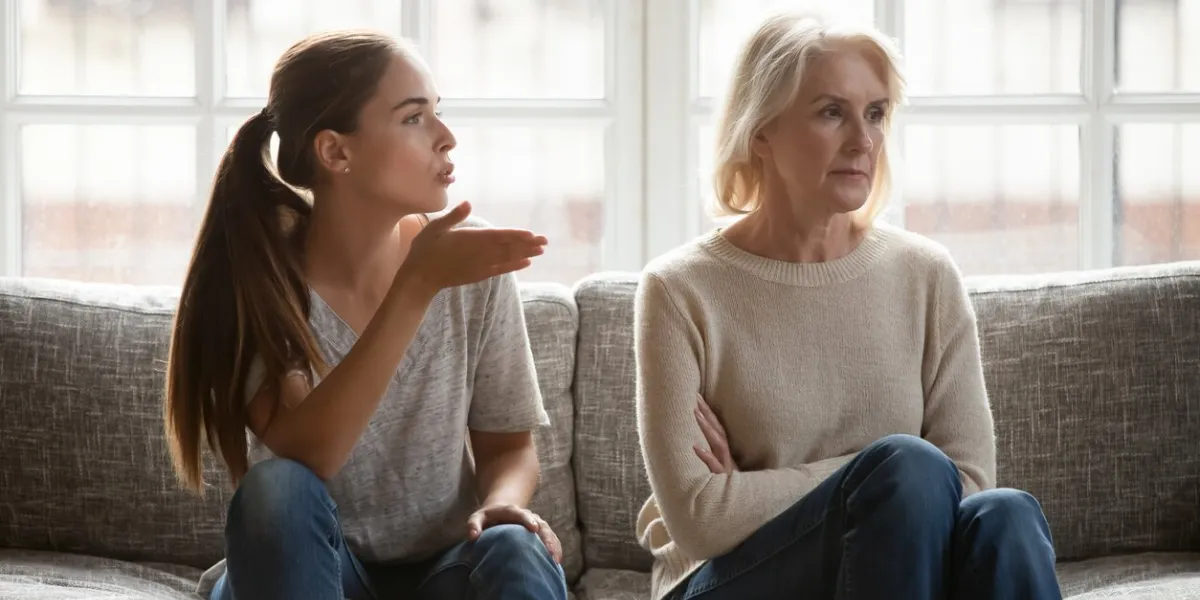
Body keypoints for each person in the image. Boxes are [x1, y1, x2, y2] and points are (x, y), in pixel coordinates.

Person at [633, 12, 1061, 600]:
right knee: (910, 468)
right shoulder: (680, 290)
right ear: (761, 130)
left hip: (895, 569)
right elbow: (701, 518)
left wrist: (767, 489)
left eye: (876, 114)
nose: (863, 140)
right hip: (726, 582)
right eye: (832, 112)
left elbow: (969, 481)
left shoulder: (926, 275)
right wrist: (874, 477)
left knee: (1005, 516)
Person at [162, 30, 568, 600]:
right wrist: (416, 285)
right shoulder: (257, 281)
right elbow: (311, 455)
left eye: (438, 114)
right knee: (276, 488)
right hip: (313, 575)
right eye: (412, 119)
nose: (446, 138)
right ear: (336, 152)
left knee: (515, 547)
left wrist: (503, 502)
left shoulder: (470, 262)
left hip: (443, 574)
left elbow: (509, 447)